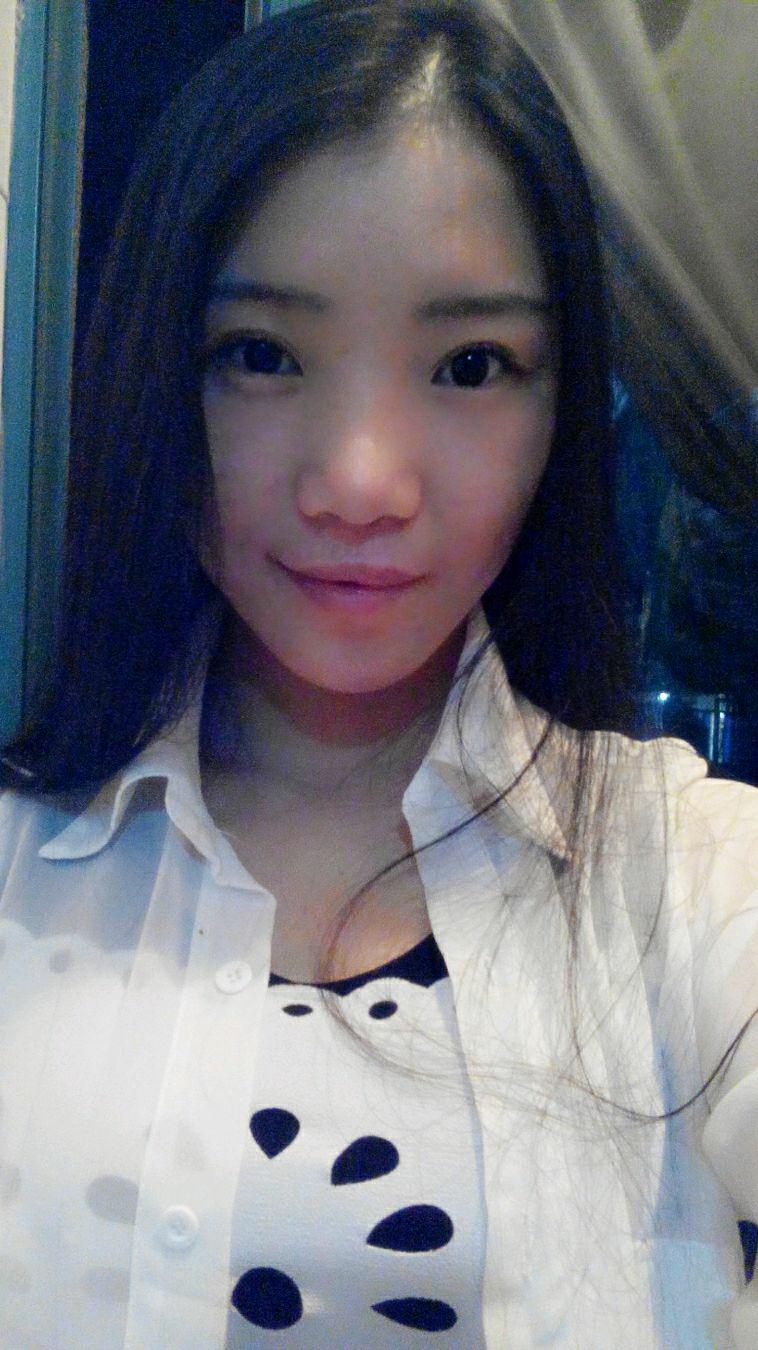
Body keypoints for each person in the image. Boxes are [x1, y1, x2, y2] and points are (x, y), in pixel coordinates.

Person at [0, 1, 755, 1345]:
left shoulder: (684, 876)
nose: (358, 480)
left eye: (470, 365)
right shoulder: (20, 870)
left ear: (562, 407)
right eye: (260, 356)